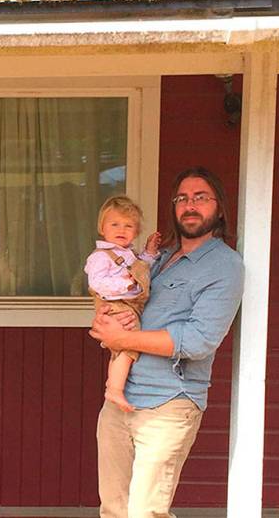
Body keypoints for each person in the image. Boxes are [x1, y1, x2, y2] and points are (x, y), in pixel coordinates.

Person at [90, 167, 244, 518]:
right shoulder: (159, 258)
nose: (190, 205)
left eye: (200, 197)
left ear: (219, 208)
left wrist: (124, 337)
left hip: (168, 403)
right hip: (120, 400)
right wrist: (105, 321)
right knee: (113, 509)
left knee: (146, 512)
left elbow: (199, 340)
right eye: (182, 198)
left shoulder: (224, 265)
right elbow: (127, 302)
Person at [84, 196, 162, 413]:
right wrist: (125, 284)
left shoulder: (128, 255)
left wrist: (150, 252)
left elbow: (141, 269)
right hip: (116, 305)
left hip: (131, 305)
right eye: (115, 224)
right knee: (128, 343)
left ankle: (116, 385)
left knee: (125, 345)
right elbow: (97, 283)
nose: (121, 229)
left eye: (128, 226)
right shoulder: (101, 257)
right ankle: (114, 388)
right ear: (102, 228)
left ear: (136, 231)